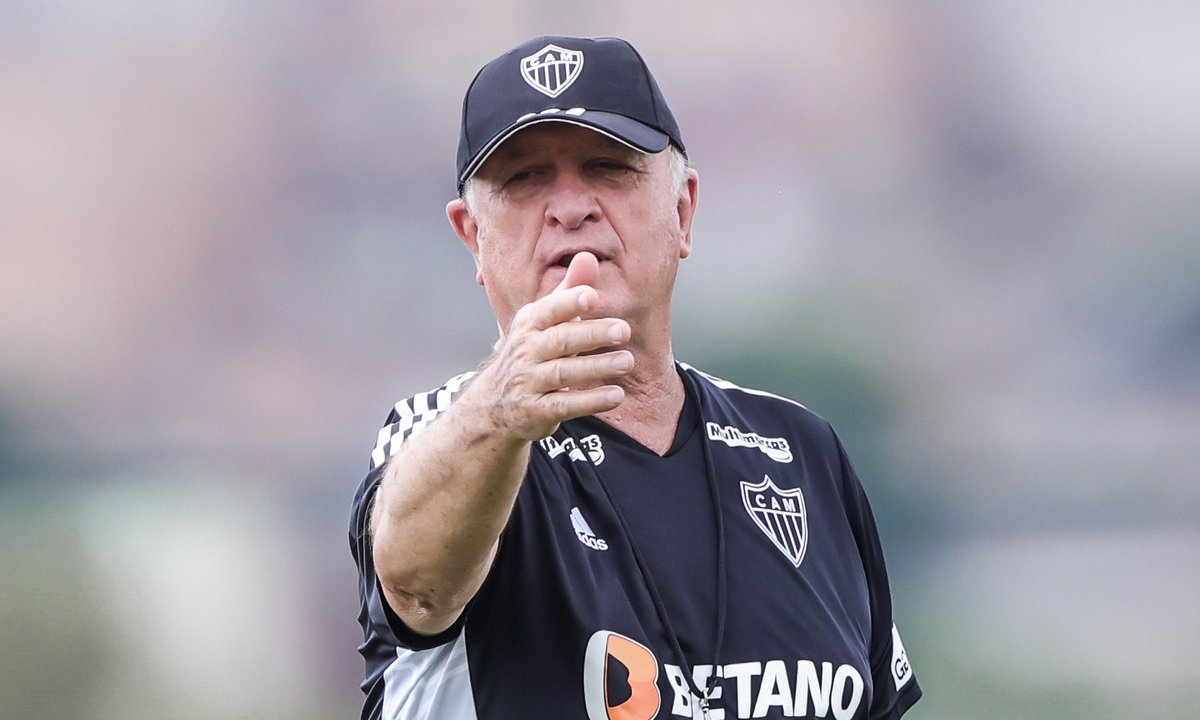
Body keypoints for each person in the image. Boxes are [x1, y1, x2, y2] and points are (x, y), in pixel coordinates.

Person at [350, 35, 922, 720]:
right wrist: (501, 412)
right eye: (524, 178)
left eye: (607, 167)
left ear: (682, 210)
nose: (570, 206)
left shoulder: (802, 451)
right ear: (472, 236)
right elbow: (414, 586)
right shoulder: (448, 437)